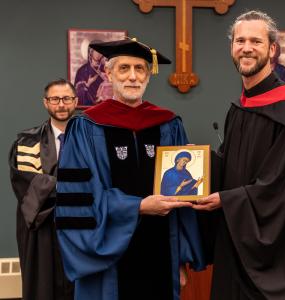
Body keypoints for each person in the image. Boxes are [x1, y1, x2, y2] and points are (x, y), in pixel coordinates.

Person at [193, 10, 285, 300]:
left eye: (255, 41)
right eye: (240, 40)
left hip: (276, 254)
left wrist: (227, 199)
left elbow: (283, 189)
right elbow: (233, 167)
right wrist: (197, 166)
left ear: (272, 49)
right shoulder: (239, 108)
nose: (246, 48)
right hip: (236, 241)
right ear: (232, 47)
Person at [54, 39, 204, 300]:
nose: (133, 77)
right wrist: (138, 207)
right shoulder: (86, 127)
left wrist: (181, 259)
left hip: (161, 250)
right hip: (109, 257)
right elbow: (80, 196)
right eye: (124, 68)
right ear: (109, 73)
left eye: (140, 69)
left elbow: (184, 200)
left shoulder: (169, 124)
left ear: (148, 75)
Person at [8, 78, 78, 300]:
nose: (61, 104)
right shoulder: (26, 142)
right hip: (41, 226)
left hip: (80, 224)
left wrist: (55, 183)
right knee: (42, 287)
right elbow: (26, 185)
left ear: (75, 101)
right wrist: (73, 187)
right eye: (55, 99)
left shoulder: (91, 138)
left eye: (66, 98)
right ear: (45, 103)